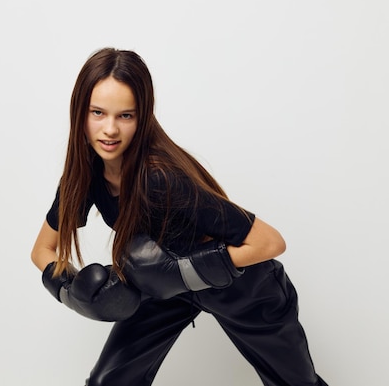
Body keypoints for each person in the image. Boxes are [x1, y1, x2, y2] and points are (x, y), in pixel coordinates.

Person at [31, 48, 328, 386]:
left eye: (125, 116)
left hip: (241, 286)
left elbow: (270, 242)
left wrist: (182, 273)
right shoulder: (83, 176)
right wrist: (71, 291)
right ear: (79, 112)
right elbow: (42, 250)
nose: (109, 130)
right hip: (162, 288)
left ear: (142, 117)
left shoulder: (160, 178)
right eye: (97, 112)